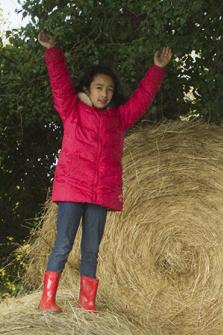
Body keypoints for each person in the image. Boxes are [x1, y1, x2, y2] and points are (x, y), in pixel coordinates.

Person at [37, 30, 172, 312]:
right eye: (99, 88)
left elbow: (142, 99)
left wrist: (157, 69)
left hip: (100, 194)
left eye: (109, 89)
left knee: (91, 251)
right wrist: (52, 50)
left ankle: (87, 303)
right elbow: (59, 82)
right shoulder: (72, 110)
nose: (104, 93)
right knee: (63, 245)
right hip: (73, 189)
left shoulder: (118, 118)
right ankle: (47, 300)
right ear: (88, 89)